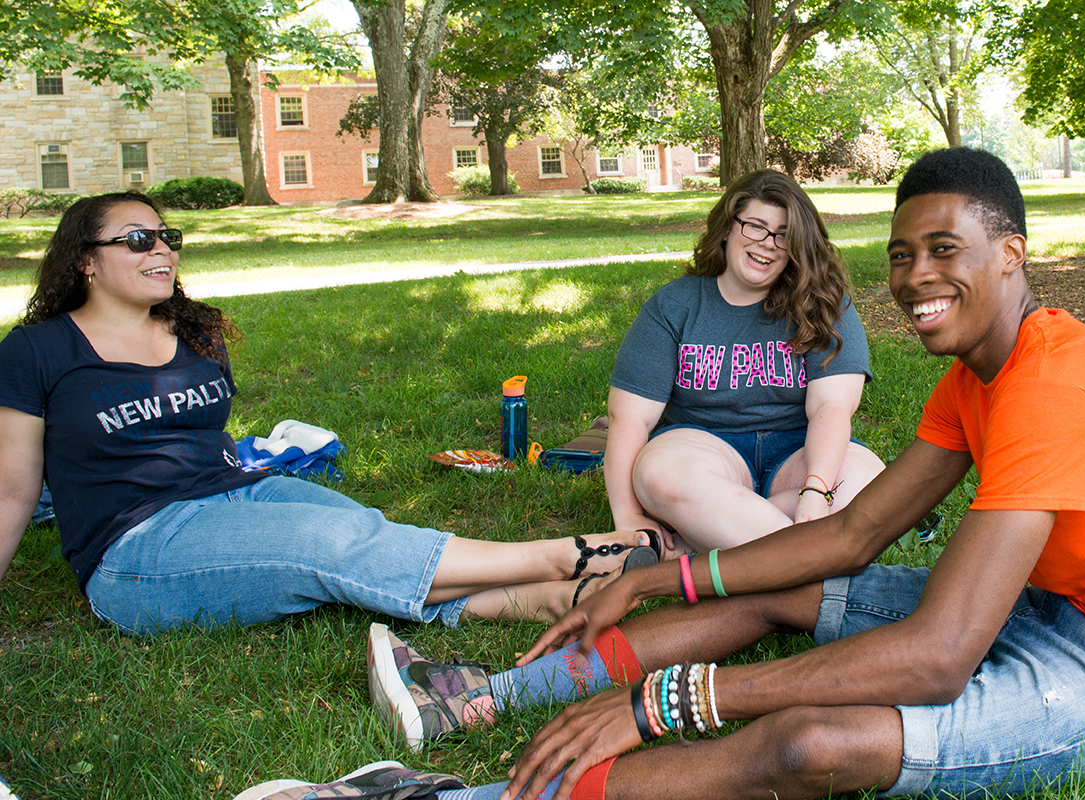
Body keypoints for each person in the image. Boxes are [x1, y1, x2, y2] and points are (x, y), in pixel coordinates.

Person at [357, 148, 1085, 800]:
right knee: (759, 586)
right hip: (1056, 608)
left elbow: (939, 656)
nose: (916, 278)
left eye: (945, 249)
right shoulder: (977, 376)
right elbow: (851, 534)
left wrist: (668, 703)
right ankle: (475, 696)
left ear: (1012, 253)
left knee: (809, 743)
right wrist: (660, 581)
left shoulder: (1059, 386)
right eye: (902, 255)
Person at [0, 192, 659, 636]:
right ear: (85, 259)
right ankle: (560, 560)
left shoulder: (193, 333)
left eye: (168, 236)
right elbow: (13, 488)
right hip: (138, 547)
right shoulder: (36, 350)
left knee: (364, 532)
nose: (162, 250)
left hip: (238, 493)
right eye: (138, 239)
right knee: (328, 547)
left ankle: (536, 603)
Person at [606, 170, 884, 553]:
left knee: (869, 484)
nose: (768, 244)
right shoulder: (675, 305)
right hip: (703, 446)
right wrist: (628, 517)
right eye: (755, 227)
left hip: (800, 450)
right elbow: (631, 417)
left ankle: (704, 542)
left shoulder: (825, 303)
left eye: (785, 234)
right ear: (726, 228)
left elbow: (832, 407)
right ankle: (809, 554)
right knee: (660, 476)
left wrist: (816, 492)